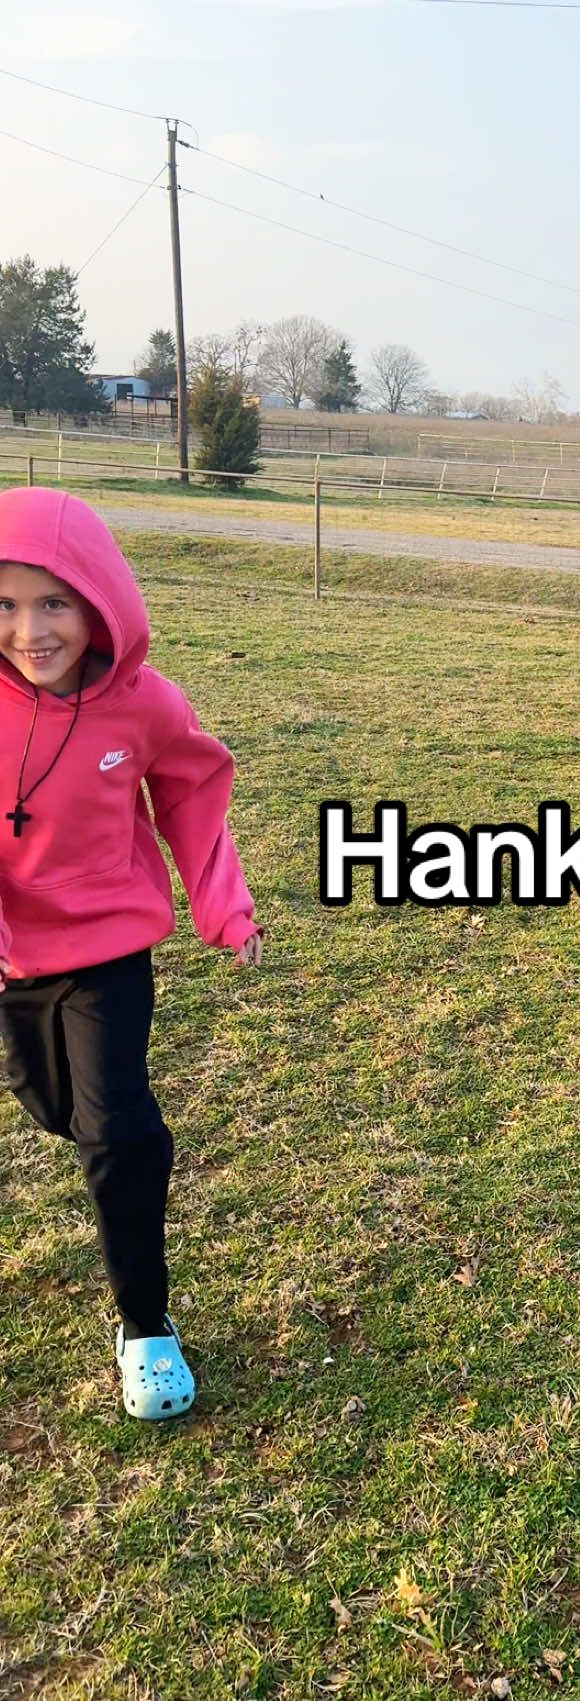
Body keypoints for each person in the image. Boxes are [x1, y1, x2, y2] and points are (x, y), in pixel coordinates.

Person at [0, 486, 263, 1421]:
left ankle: (145, 1325)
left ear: (100, 600)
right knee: (55, 1108)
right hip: (11, 960)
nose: (30, 630)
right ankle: (125, 1141)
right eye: (5, 604)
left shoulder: (144, 704)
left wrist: (224, 908)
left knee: (117, 1132)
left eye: (53, 602)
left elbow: (193, 792)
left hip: (109, 950)